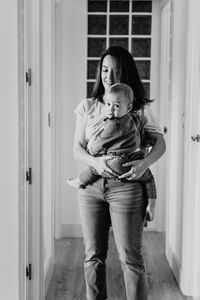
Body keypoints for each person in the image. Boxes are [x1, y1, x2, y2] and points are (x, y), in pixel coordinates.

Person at [73, 46, 166, 300]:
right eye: (104, 70)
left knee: (131, 259)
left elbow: (160, 144)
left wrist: (144, 163)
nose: (109, 76)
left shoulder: (139, 108)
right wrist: (97, 163)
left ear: (126, 72)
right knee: (93, 256)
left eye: (115, 70)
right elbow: (77, 149)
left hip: (127, 187)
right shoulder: (88, 107)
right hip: (92, 188)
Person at [68, 82, 157, 221]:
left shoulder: (113, 124)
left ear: (128, 107)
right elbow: (143, 139)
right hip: (133, 160)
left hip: (114, 162)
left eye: (116, 106)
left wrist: (91, 149)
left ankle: (80, 181)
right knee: (149, 179)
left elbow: (100, 144)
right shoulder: (134, 119)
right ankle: (151, 205)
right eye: (108, 104)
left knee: (92, 170)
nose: (110, 109)